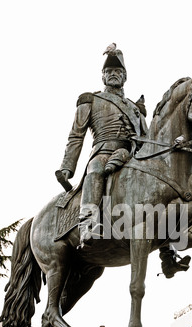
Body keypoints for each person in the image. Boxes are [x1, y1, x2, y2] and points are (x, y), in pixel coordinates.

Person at [59, 45, 148, 246]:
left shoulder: (136, 109)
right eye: (109, 72)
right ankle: (87, 223)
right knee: (96, 170)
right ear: (102, 76)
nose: (113, 75)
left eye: (118, 72)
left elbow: (146, 138)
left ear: (125, 76)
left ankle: (168, 248)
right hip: (103, 151)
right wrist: (67, 166)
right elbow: (76, 135)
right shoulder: (90, 99)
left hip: (132, 155)